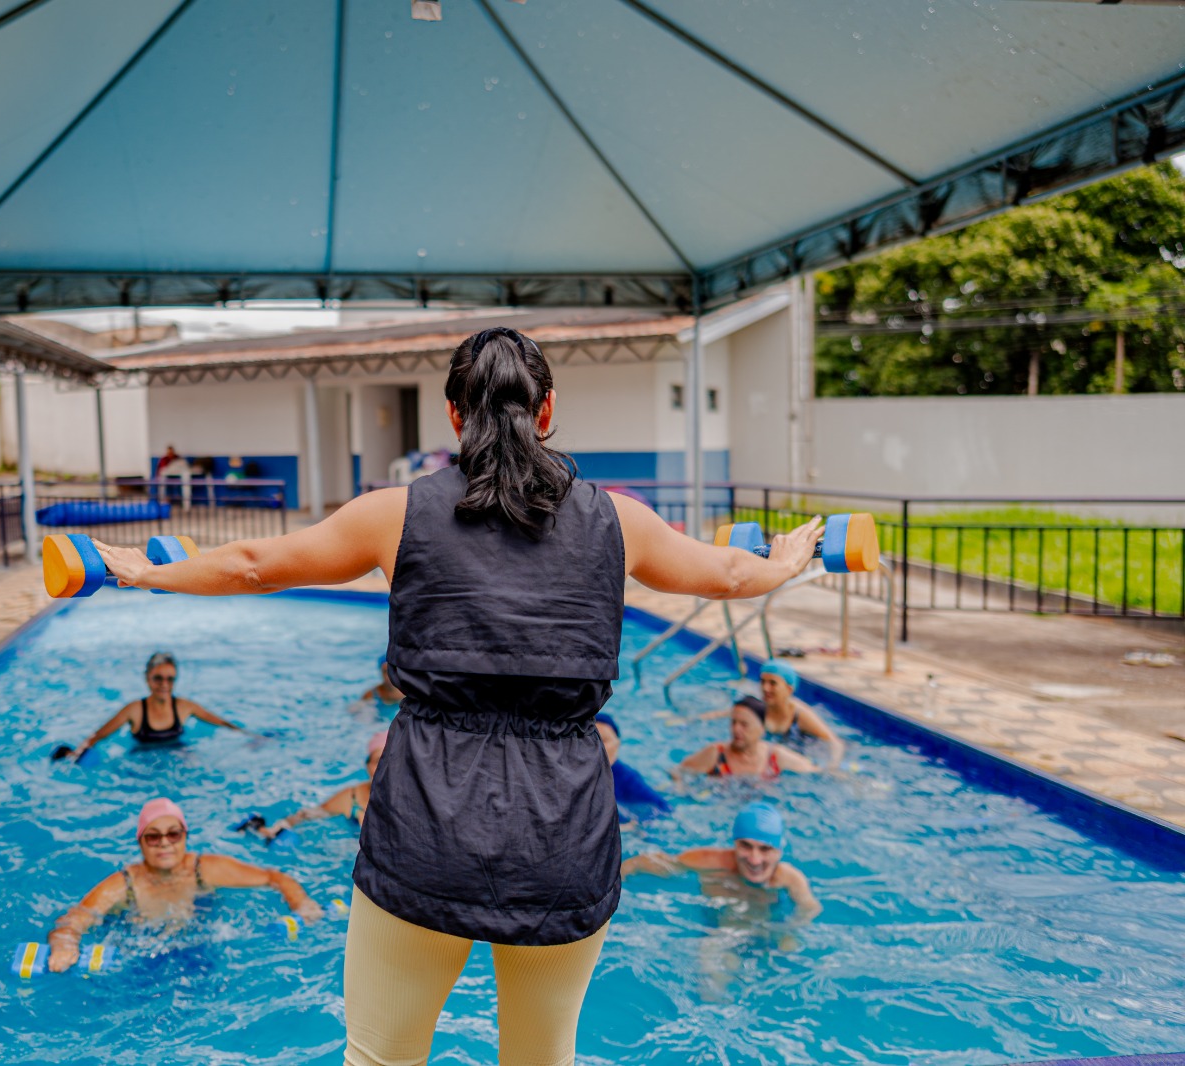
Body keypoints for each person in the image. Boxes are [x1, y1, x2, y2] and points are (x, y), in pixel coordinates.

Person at [85, 326, 821, 1064]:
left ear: (453, 415)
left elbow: (252, 565)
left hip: (425, 825)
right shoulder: (616, 521)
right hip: (558, 834)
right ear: (546, 410)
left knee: (380, 1055)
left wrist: (146, 571)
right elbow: (730, 574)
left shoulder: (394, 514)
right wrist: (786, 560)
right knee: (541, 1057)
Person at [45, 798, 322, 972]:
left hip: (203, 948)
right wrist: (64, 946)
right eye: (153, 837)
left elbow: (275, 877)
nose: (165, 842)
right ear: (140, 842)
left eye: (173, 834)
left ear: (185, 836)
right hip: (139, 958)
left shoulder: (204, 868)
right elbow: (72, 922)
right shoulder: (124, 884)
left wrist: (301, 904)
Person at [621, 801, 821, 923]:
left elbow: (809, 909)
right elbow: (653, 862)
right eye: (745, 846)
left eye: (765, 849)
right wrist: (619, 873)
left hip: (768, 924)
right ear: (734, 843)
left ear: (779, 851)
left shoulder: (789, 878)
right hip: (721, 926)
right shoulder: (709, 860)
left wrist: (785, 932)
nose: (754, 859)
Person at [63, 652, 242, 758]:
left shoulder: (184, 707)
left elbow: (222, 723)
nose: (164, 684)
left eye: (170, 679)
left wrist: (252, 736)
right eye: (158, 678)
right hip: (143, 758)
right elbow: (98, 735)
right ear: (147, 679)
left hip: (176, 754)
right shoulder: (134, 710)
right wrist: (77, 752)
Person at [251, 733, 388, 841]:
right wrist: (273, 829)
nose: (385, 767)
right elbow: (307, 815)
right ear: (367, 766)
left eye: (391, 759)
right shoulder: (352, 798)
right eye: (377, 761)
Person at [678, 696, 818, 780]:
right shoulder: (715, 754)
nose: (736, 729)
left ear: (761, 730)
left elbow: (814, 771)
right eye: (733, 723)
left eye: (744, 725)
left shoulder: (774, 756)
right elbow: (677, 772)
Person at [758, 659, 846, 766]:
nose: (765, 688)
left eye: (773, 683)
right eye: (763, 682)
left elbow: (835, 743)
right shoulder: (757, 709)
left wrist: (833, 766)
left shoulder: (800, 714)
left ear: (789, 689)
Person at [594, 712, 671, 823]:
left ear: (617, 745)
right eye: (588, 741)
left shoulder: (627, 779)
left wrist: (631, 827)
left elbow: (663, 810)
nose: (596, 747)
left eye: (604, 740)